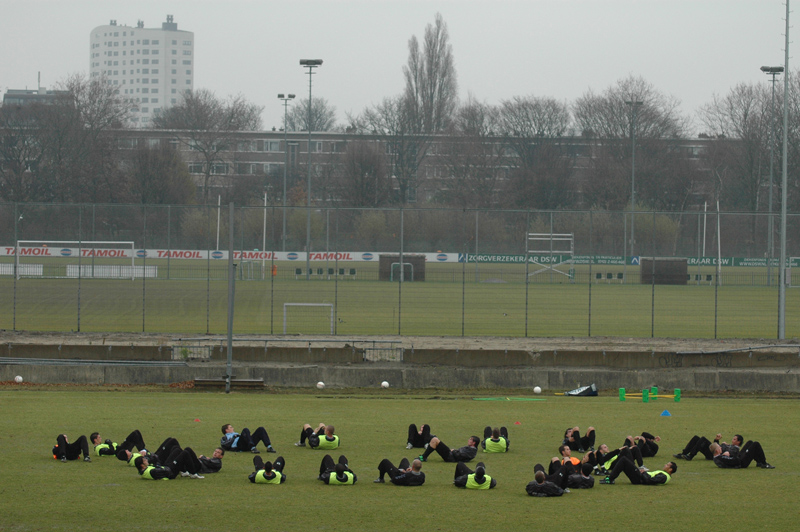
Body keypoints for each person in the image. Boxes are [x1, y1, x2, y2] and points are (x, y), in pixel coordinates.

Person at [600, 448, 677, 485]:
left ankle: (610, 479)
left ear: (670, 469)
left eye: (667, 465)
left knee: (623, 460)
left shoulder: (664, 476)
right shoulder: (664, 474)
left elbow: (650, 481)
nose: (665, 465)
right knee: (626, 450)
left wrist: (643, 473)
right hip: (640, 475)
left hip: (639, 479)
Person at [134, 446, 204, 480]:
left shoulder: (144, 470)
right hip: (171, 471)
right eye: (144, 461)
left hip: (167, 467)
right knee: (185, 452)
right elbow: (165, 473)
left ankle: (184, 471)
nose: (146, 460)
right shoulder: (151, 471)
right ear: (142, 465)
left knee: (176, 449)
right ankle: (193, 473)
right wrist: (175, 465)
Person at [674, 433, 741, 461]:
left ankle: (691, 456)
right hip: (713, 451)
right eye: (733, 438)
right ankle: (684, 453)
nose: (732, 440)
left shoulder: (735, 449)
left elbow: (724, 453)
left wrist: (725, 446)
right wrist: (716, 440)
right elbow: (717, 447)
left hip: (713, 455)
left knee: (703, 440)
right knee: (696, 438)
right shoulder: (730, 445)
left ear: (739, 442)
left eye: (734, 439)